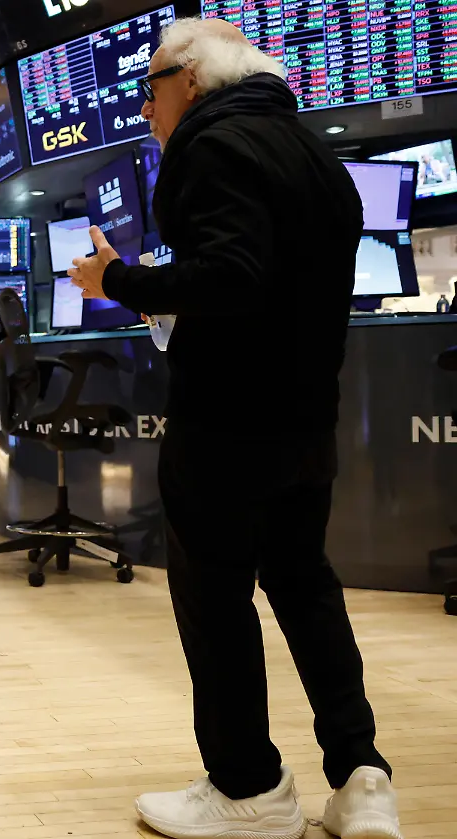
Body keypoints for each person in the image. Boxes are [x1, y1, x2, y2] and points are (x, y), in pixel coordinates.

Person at [68, 17, 402, 839]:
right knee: (305, 586)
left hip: (226, 426)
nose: (145, 109)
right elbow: (273, 284)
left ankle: (248, 788)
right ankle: (360, 777)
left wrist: (119, 279)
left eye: (149, 89)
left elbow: (230, 275)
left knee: (214, 598)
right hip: (305, 422)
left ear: (189, 78)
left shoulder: (212, 146)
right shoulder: (316, 155)